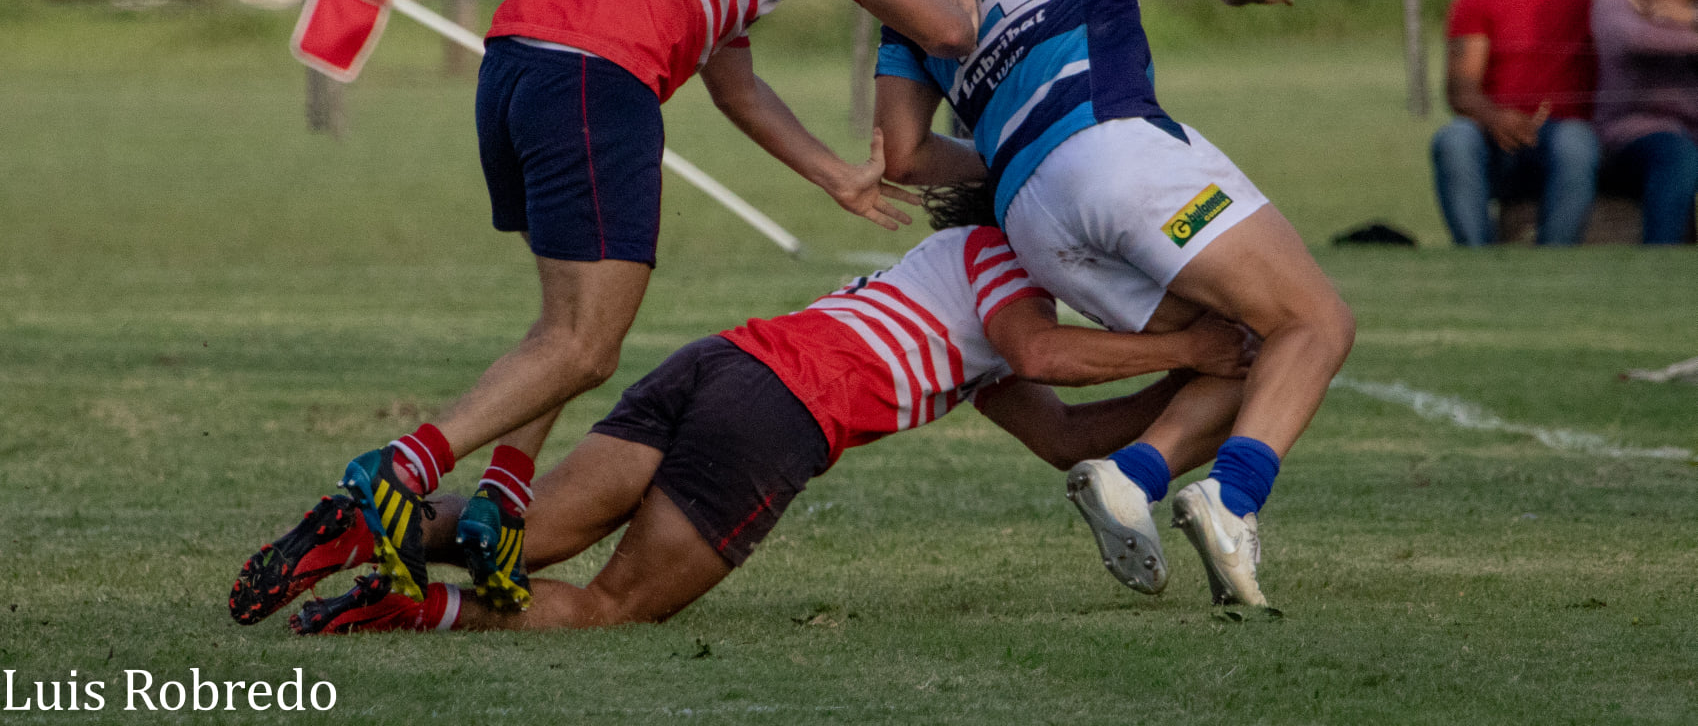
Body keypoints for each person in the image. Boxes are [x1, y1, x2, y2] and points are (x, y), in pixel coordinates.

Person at [239, 0, 980, 622]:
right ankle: (395, 475)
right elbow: (937, 28)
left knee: (561, 329)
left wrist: (832, 175)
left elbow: (735, 85)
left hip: (512, 67)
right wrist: (964, 9)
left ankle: (499, 498)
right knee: (587, 346)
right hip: (596, 79)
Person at [231, 185, 1255, 634]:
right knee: (614, 606)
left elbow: (1067, 435)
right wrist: (1187, 347)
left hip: (721, 362)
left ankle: (366, 528)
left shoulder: (946, 282)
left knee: (528, 535)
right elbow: (1044, 350)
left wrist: (1187, 388)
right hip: (776, 416)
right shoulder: (1003, 259)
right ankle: (417, 609)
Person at [873, 0, 1355, 608]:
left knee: (1244, 342)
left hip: (1029, 217)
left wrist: (1020, 149)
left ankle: (1135, 477)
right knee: (1317, 321)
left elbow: (903, 156)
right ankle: (1233, 500)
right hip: (1117, 152)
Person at [1431, 0, 1616, 247]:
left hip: (1571, 132)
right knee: (1454, 139)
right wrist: (1495, 118)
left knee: (1575, 143)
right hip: (1500, 134)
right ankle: (1476, 257)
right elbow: (1461, 89)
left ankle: (1553, 257)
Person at [1590, 0, 1698, 243]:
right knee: (1676, 153)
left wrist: (1689, 16)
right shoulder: (1616, 4)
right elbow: (1636, 39)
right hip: (1631, 137)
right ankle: (1660, 256)